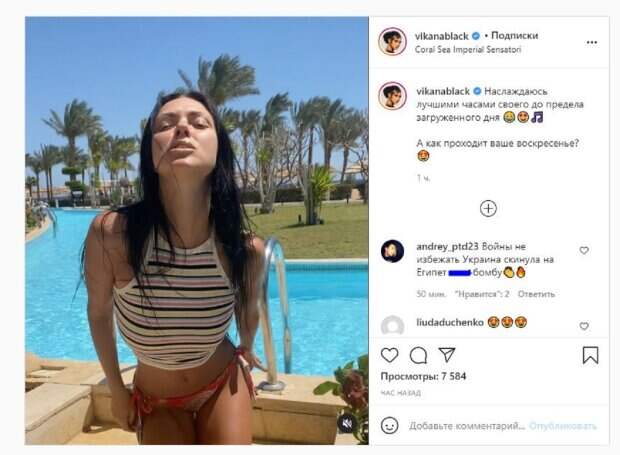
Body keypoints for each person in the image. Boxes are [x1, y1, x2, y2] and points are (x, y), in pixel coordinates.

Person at [82, 90, 266, 444]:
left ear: (219, 150)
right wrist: (116, 389)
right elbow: (99, 314)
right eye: (166, 124)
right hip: (157, 400)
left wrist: (246, 346)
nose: (182, 128)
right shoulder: (112, 236)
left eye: (199, 123)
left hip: (221, 382)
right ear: (150, 154)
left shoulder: (244, 250)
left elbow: (248, 306)